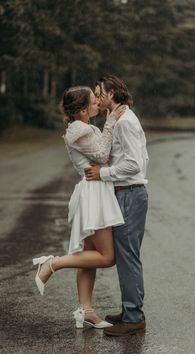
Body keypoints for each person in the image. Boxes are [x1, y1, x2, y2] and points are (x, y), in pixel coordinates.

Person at [32, 85, 125, 329]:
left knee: (89, 258)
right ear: (83, 110)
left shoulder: (83, 127)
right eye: (94, 101)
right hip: (94, 194)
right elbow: (103, 155)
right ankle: (52, 264)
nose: (98, 103)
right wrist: (112, 120)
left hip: (97, 191)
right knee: (107, 257)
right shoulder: (78, 130)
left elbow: (103, 155)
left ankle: (87, 311)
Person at [85, 75, 149, 336]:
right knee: (125, 256)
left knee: (128, 257)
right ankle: (130, 310)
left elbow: (134, 164)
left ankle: (134, 317)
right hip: (127, 193)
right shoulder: (122, 119)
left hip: (130, 194)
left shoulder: (124, 122)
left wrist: (104, 173)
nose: (98, 98)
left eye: (100, 93)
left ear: (112, 93)